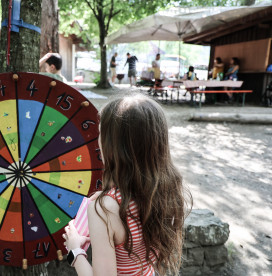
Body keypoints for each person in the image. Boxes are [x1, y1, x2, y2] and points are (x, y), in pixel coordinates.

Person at [63, 94, 190, 276]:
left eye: (101, 134)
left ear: (115, 147)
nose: (98, 142)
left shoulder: (103, 210)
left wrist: (74, 250)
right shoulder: (166, 186)